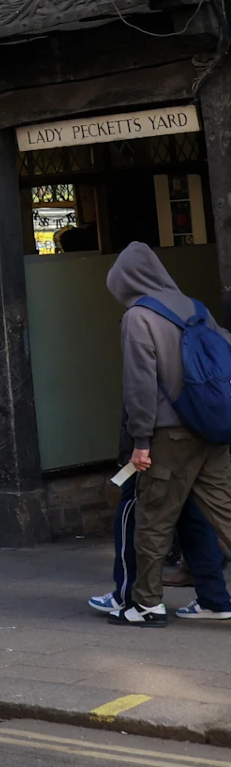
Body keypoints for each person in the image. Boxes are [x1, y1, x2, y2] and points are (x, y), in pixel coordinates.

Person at [108, 242, 231, 625]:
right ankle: (213, 602)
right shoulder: (196, 308)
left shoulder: (139, 317)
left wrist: (140, 441)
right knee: (225, 511)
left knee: (154, 518)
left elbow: (140, 384)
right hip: (212, 428)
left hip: (170, 435)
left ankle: (146, 605)